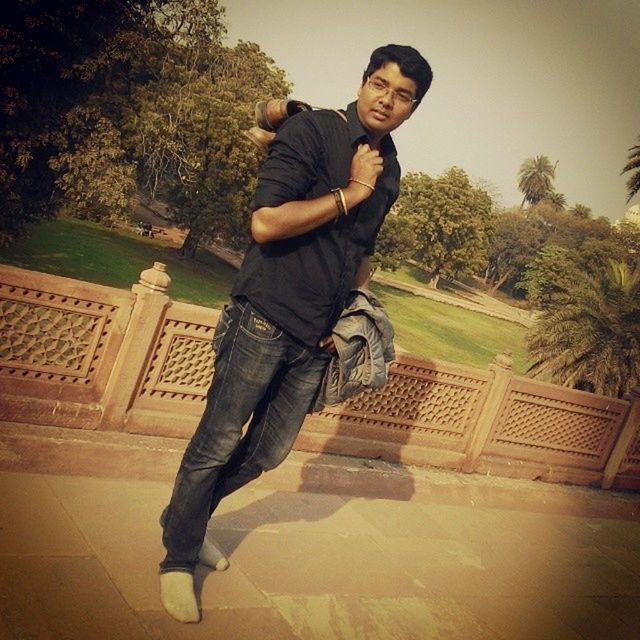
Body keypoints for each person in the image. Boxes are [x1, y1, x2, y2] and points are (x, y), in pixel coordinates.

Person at [159, 43, 433, 623]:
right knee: (216, 443)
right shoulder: (314, 132)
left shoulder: (392, 171)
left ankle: (187, 520)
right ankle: (178, 559)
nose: (388, 99)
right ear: (363, 82)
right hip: (264, 314)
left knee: (268, 452)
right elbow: (264, 224)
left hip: (317, 337)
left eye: (403, 95)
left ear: (413, 107)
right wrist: (349, 192)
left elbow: (363, 250)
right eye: (380, 84)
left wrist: (350, 316)